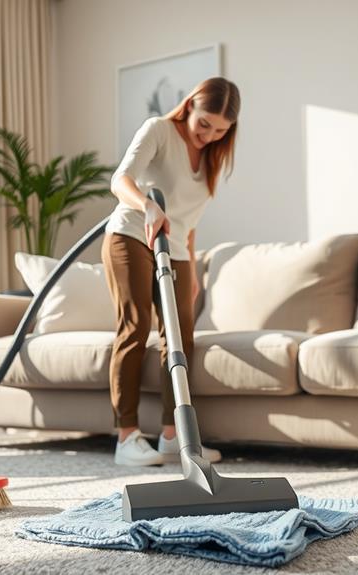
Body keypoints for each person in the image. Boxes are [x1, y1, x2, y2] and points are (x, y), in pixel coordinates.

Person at [102, 77, 240, 466]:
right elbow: (120, 180)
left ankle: (171, 435)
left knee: (180, 338)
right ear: (190, 105)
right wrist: (147, 204)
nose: (209, 136)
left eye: (220, 130)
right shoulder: (159, 131)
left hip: (177, 249)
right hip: (131, 234)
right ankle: (126, 437)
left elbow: (190, 224)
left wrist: (192, 271)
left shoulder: (212, 158)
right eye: (204, 125)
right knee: (135, 325)